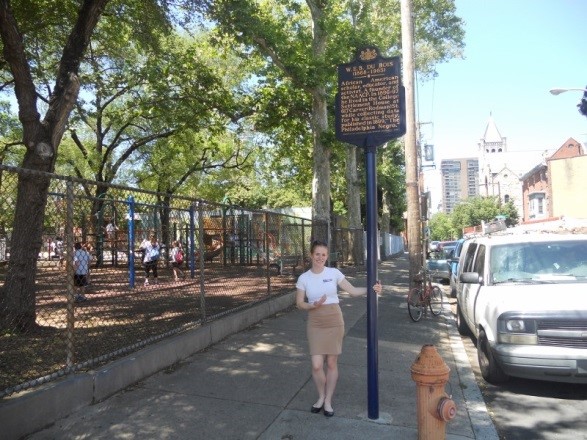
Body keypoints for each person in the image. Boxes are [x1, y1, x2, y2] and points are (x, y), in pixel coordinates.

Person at [295, 240, 382, 418]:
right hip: (315, 322)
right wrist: (312, 306)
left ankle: (327, 401)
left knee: (332, 363)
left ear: (327, 256)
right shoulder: (304, 278)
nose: (320, 258)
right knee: (317, 365)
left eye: (324, 255)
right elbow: (299, 303)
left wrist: (372, 289)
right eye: (317, 254)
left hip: (334, 320)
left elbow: (352, 291)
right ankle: (320, 396)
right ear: (311, 255)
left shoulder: (334, 273)